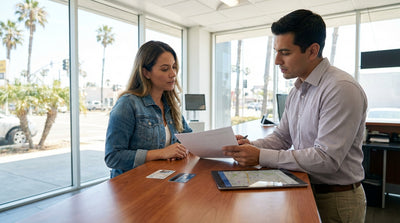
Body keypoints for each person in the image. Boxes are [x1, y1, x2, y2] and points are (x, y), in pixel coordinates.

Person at [222, 9, 367, 223]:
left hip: (336, 199)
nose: (277, 61)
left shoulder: (340, 88)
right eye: (276, 52)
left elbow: (326, 159)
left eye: (285, 52)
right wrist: (251, 146)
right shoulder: (298, 89)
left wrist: (260, 156)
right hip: (305, 187)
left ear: (312, 51)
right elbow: (282, 137)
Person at [105, 41, 192, 178]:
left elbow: (189, 139)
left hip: (162, 182)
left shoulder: (171, 105)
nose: (173, 74)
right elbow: (113, 157)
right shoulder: (128, 104)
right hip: (131, 187)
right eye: (165, 69)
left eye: (174, 67)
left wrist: (221, 142)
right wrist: (161, 153)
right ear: (146, 72)